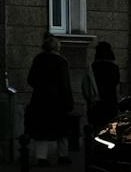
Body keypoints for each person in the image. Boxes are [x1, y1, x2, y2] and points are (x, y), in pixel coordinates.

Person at [26, 34, 75, 164]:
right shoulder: (61, 62)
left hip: (40, 100)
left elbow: (30, 79)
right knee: (62, 130)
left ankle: (41, 157)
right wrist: (69, 102)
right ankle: (63, 155)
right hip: (58, 101)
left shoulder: (38, 59)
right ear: (57, 47)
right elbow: (65, 84)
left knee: (41, 130)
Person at [81, 40, 122, 139]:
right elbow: (117, 87)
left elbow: (85, 87)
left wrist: (89, 99)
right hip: (111, 104)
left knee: (97, 131)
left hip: (96, 104)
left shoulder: (92, 68)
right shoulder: (114, 68)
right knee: (109, 132)